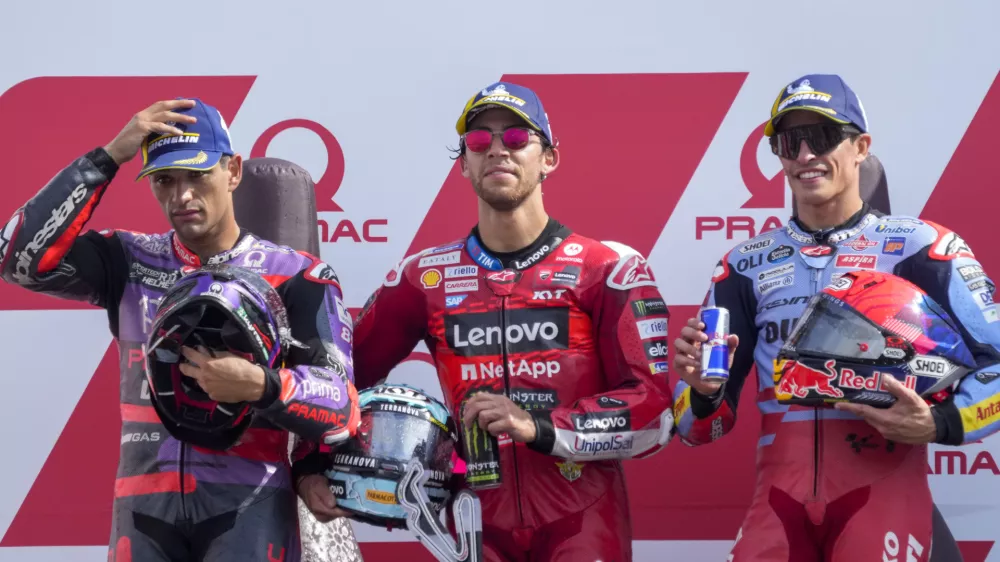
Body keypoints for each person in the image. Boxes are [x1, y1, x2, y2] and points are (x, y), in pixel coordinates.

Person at [0, 98, 361, 561]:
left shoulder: (297, 276)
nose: (181, 196)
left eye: (197, 176)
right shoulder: (129, 260)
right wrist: (109, 156)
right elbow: (17, 257)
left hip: (249, 501)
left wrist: (260, 385)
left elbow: (342, 406)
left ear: (232, 172)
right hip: (143, 504)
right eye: (165, 181)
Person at [671, 74, 1000, 561]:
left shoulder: (921, 247)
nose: (804, 155)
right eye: (788, 141)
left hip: (884, 494)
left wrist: (941, 421)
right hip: (778, 502)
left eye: (821, 138)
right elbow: (697, 428)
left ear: (861, 146)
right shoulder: (744, 264)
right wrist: (700, 393)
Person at [349, 81, 676, 561]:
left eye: (517, 139)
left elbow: (655, 411)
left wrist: (539, 427)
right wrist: (320, 466)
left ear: (549, 158)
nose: (498, 150)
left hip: (583, 518)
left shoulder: (605, 268)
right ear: (464, 163)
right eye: (480, 141)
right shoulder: (424, 277)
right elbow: (339, 380)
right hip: (474, 520)